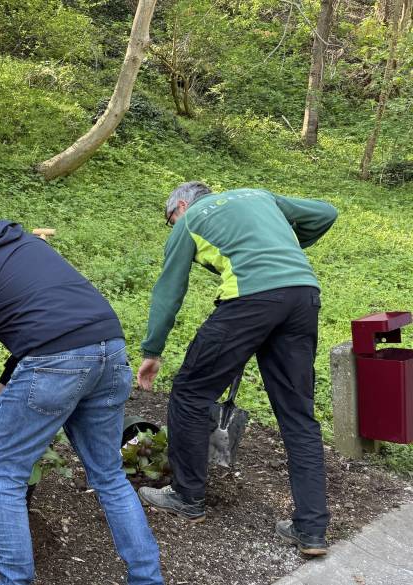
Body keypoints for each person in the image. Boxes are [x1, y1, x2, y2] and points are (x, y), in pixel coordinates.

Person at [0, 217, 164, 585]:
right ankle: (147, 579)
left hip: (55, 362)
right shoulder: (19, 245)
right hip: (110, 350)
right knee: (109, 474)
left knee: (3, 475)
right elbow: (45, 317)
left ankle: (14, 581)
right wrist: (6, 380)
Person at [136, 182, 337, 556]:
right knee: (298, 415)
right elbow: (326, 213)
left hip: (249, 302)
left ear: (180, 205)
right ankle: (311, 530)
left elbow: (170, 288)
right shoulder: (261, 196)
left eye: (170, 220)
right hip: (302, 295)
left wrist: (152, 349)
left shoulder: (190, 218)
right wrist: (284, 247)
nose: (173, 225)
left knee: (191, 393)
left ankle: (187, 496)